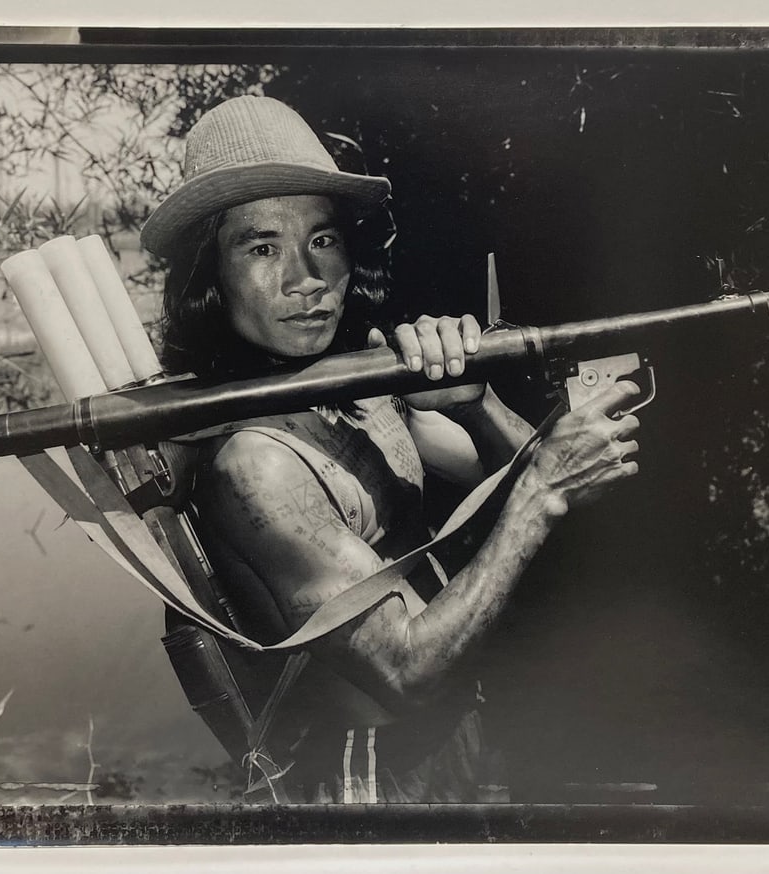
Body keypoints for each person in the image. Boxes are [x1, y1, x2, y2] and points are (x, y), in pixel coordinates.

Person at [140, 96, 641, 803]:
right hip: (374, 770)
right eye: (261, 247)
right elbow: (405, 668)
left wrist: (477, 406)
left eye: (322, 240)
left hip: (459, 730)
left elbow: (524, 481)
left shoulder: (357, 385)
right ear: (209, 280)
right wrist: (545, 491)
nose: (303, 279)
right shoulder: (256, 464)